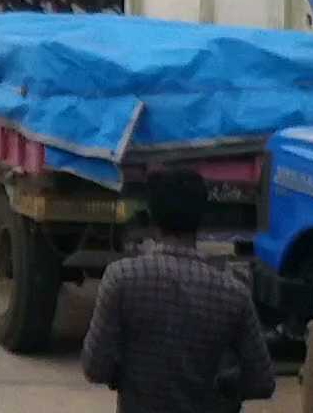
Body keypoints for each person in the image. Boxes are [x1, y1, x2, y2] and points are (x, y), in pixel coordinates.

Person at [81, 168, 275, 412]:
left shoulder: (121, 278)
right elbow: (262, 381)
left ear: (152, 216)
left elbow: (95, 367)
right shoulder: (233, 293)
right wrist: (221, 388)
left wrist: (126, 376)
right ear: (201, 217)